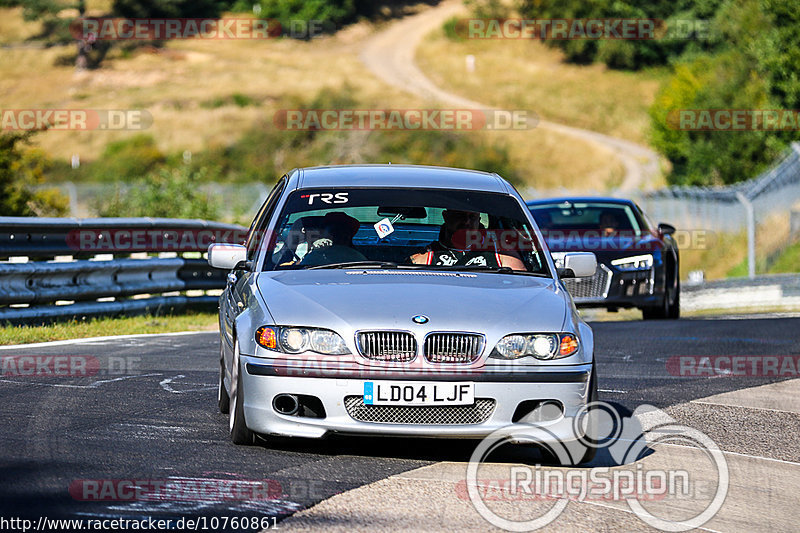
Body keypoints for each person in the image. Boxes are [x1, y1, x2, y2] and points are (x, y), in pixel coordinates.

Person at [409, 209, 526, 270]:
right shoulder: (425, 258)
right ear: (446, 216)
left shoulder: (500, 254)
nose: (466, 222)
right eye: (460, 216)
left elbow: (522, 287)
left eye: (472, 217)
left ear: (479, 219)